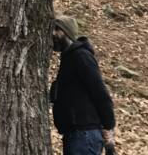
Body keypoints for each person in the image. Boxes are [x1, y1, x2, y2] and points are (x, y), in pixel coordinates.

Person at [50, 15, 116, 155]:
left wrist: (109, 127)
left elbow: (100, 92)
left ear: (68, 33)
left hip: (84, 135)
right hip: (76, 135)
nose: (53, 34)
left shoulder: (81, 56)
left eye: (58, 29)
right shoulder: (69, 58)